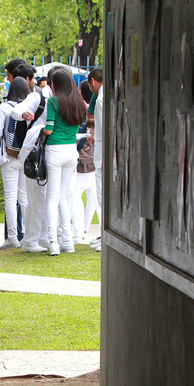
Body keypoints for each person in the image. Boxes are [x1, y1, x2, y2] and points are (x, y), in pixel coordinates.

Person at [42, 67, 88, 256]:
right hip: (71, 150)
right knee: (64, 196)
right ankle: (67, 240)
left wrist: (40, 130)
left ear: (55, 84)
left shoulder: (53, 101)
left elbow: (49, 129)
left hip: (55, 149)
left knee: (52, 198)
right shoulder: (78, 101)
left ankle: (53, 241)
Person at [9, 64, 49, 253]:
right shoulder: (37, 97)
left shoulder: (58, 98)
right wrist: (23, 114)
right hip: (37, 151)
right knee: (36, 197)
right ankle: (32, 240)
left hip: (50, 150)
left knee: (47, 197)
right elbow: (17, 110)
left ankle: (44, 237)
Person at [0, 77, 31, 250]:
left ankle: (12, 237)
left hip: (9, 157)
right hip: (25, 156)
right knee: (24, 197)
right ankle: (28, 235)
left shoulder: (5, 107)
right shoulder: (30, 107)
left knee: (10, 198)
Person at [86, 69, 104, 251]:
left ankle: (106, 234)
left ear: (92, 81)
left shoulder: (100, 99)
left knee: (101, 192)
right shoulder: (103, 97)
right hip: (102, 147)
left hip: (103, 148)